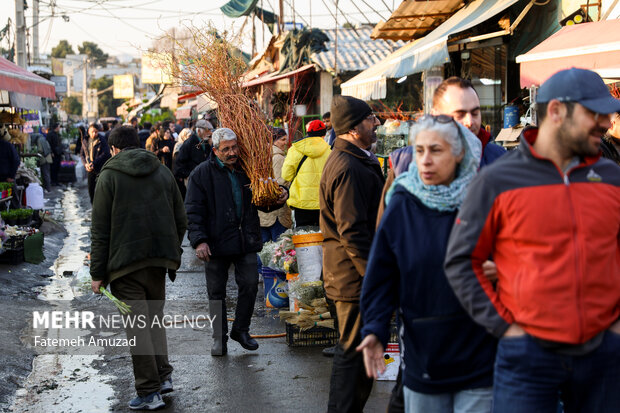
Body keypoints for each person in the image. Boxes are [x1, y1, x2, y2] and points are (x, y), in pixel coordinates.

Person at [444, 68, 620, 413]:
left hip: (604, 354)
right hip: (527, 356)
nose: (606, 122)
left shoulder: (612, 176)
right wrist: (506, 329)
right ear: (556, 112)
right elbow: (462, 261)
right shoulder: (498, 180)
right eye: (594, 113)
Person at [358, 115, 497, 413]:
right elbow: (382, 275)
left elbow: (521, 259)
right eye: (419, 151)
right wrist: (374, 329)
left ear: (460, 154)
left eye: (436, 150)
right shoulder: (403, 203)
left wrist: (504, 269)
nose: (425, 160)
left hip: (480, 355)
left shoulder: (485, 201)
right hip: (424, 358)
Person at [90, 126, 187, 411]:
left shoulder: (108, 176)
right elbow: (180, 218)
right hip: (158, 262)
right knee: (153, 322)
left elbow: (100, 231)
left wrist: (97, 274)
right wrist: (171, 250)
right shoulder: (162, 171)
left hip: (124, 265)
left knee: (137, 327)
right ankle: (163, 377)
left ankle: (148, 391)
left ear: (114, 149)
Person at [185, 128, 288, 357]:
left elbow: (264, 203)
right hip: (215, 243)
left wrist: (281, 195)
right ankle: (218, 339)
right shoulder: (201, 174)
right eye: (226, 149)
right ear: (215, 151)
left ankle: (240, 330)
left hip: (245, 240)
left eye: (234, 147)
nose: (232, 153)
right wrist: (199, 241)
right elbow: (193, 212)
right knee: (216, 292)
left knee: (250, 284)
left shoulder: (247, 170)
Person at [319, 95, 384, 413]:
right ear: (354, 127)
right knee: (352, 356)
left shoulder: (353, 159)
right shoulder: (348, 167)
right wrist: (375, 277)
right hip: (353, 280)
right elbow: (353, 233)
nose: (376, 124)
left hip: (350, 277)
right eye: (371, 119)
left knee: (357, 358)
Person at [432, 77, 506, 167]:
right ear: (435, 115)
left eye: (475, 113)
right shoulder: (413, 160)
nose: (470, 122)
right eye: (460, 115)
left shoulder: (500, 158)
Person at [282, 119, 331, 227]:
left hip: (301, 202)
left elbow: (286, 175)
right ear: (324, 134)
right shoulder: (330, 151)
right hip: (323, 202)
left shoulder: (295, 149)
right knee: (322, 237)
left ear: (308, 132)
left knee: (303, 237)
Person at [258, 127, 292, 242]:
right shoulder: (278, 158)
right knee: (279, 252)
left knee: (265, 253)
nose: (285, 142)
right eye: (282, 139)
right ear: (273, 140)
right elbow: (280, 185)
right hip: (277, 215)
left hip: (263, 215)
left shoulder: (260, 157)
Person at [80, 123, 111, 203]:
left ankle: (100, 205)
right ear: (88, 132)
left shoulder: (102, 140)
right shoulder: (85, 141)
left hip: (99, 168)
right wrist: (85, 164)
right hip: (90, 168)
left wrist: (94, 162)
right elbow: (82, 154)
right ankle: (93, 205)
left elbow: (106, 153)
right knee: (91, 188)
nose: (94, 134)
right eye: (92, 132)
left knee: (100, 189)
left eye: (96, 132)